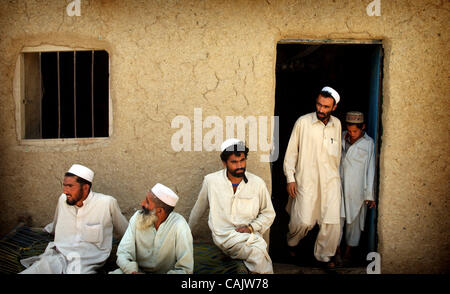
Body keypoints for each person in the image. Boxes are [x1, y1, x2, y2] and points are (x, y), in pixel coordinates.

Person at [20, 164, 129, 274]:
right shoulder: (63, 200)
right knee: (36, 269)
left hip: (86, 260)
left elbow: (126, 232)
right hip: (59, 255)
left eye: (70, 186)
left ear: (85, 187)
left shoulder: (106, 203)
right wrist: (47, 230)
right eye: (64, 186)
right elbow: (56, 223)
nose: (65, 191)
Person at [188, 139, 276, 274]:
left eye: (242, 160)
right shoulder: (211, 181)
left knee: (258, 250)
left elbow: (269, 213)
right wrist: (186, 234)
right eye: (234, 162)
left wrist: (252, 227)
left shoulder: (257, 183)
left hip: (249, 236)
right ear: (224, 163)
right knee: (258, 252)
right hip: (223, 236)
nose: (239, 165)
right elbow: (198, 211)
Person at [283, 86, 342, 268]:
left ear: (334, 108)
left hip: (330, 181)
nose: (321, 109)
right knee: (303, 220)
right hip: (306, 179)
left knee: (331, 221)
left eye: (326, 107)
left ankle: (324, 257)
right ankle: (291, 243)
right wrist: (290, 177)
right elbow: (292, 151)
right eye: (319, 105)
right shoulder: (303, 122)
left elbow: (337, 155)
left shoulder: (337, 125)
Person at [110, 183, 194, 274]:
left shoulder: (179, 225)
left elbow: (185, 269)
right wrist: (133, 271)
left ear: (160, 211)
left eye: (147, 202)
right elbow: (123, 252)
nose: (142, 204)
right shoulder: (137, 217)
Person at [338, 111, 376, 265]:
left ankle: (348, 253)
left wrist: (370, 195)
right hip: (338, 186)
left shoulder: (368, 143)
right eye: (350, 130)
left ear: (363, 127)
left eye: (356, 131)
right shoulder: (340, 136)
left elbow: (371, 170)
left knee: (353, 223)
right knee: (336, 221)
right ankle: (336, 253)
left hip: (357, 189)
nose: (352, 134)